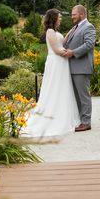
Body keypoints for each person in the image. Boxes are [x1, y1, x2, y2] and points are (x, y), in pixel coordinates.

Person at [20, 9, 80, 139]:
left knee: (62, 88)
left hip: (61, 63)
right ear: (53, 18)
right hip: (56, 62)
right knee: (54, 87)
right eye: (59, 17)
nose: (61, 19)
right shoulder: (50, 31)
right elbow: (57, 50)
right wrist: (71, 53)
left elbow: (62, 43)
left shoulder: (56, 32)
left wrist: (71, 31)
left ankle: (61, 113)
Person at [63, 4, 96, 132]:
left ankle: (86, 122)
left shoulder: (89, 27)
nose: (72, 17)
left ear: (81, 14)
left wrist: (73, 53)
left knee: (83, 96)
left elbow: (89, 44)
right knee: (77, 97)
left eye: (74, 14)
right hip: (73, 68)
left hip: (82, 68)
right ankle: (81, 120)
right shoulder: (75, 28)